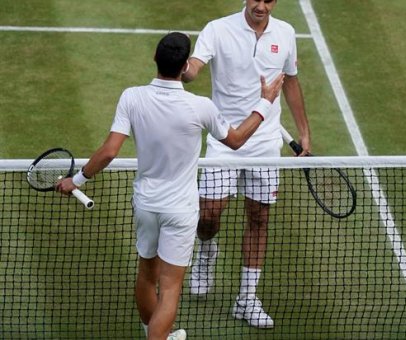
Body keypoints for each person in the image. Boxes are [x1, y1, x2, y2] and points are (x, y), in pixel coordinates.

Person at [55, 32, 284, 340]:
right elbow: (238, 139)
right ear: (185, 67)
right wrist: (265, 102)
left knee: (146, 277)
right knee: (171, 287)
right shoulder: (201, 107)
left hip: (146, 205)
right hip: (180, 210)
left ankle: (158, 335)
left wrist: (76, 181)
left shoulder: (131, 97)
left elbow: (109, 151)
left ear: (154, 58)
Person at [182, 0, 311, 330]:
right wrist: (185, 71)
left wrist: (304, 133)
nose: (261, 5)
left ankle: (247, 298)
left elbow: (291, 82)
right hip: (224, 139)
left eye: (268, 0)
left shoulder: (285, 33)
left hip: (266, 142)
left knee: (259, 217)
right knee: (209, 213)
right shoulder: (217, 29)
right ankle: (207, 251)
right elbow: (195, 66)